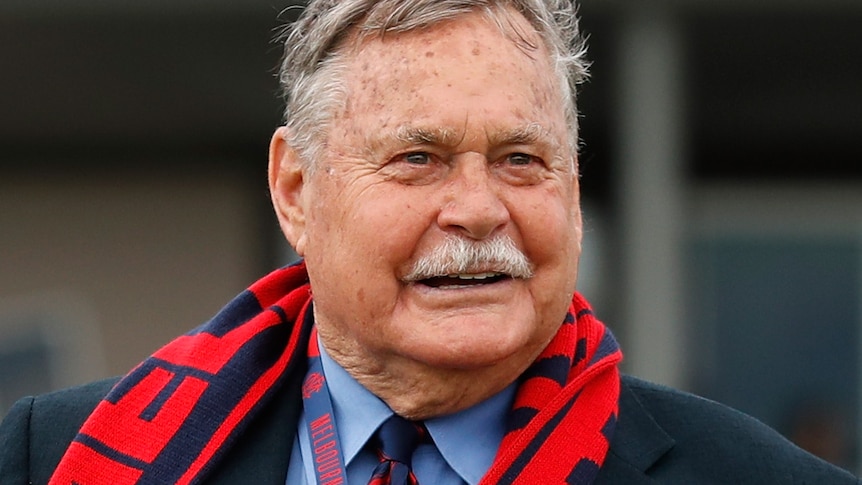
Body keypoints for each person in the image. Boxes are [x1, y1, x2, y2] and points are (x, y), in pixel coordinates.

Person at [0, 1, 858, 484]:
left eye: (522, 159)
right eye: (419, 158)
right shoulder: (57, 457)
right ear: (297, 191)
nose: (479, 209)